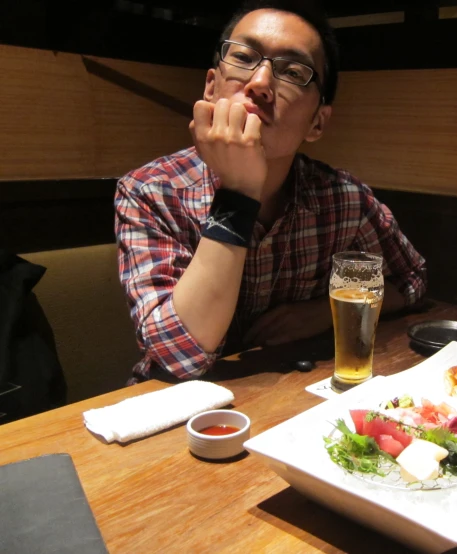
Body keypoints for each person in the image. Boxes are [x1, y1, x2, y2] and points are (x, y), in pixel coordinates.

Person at [115, 0, 427, 384]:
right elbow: (181, 357)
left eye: (293, 71)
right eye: (244, 57)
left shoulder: (342, 199)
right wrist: (240, 192)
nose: (260, 83)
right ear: (211, 87)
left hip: (289, 399)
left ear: (317, 121)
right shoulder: (152, 192)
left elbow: (410, 279)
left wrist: (319, 312)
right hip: (173, 416)